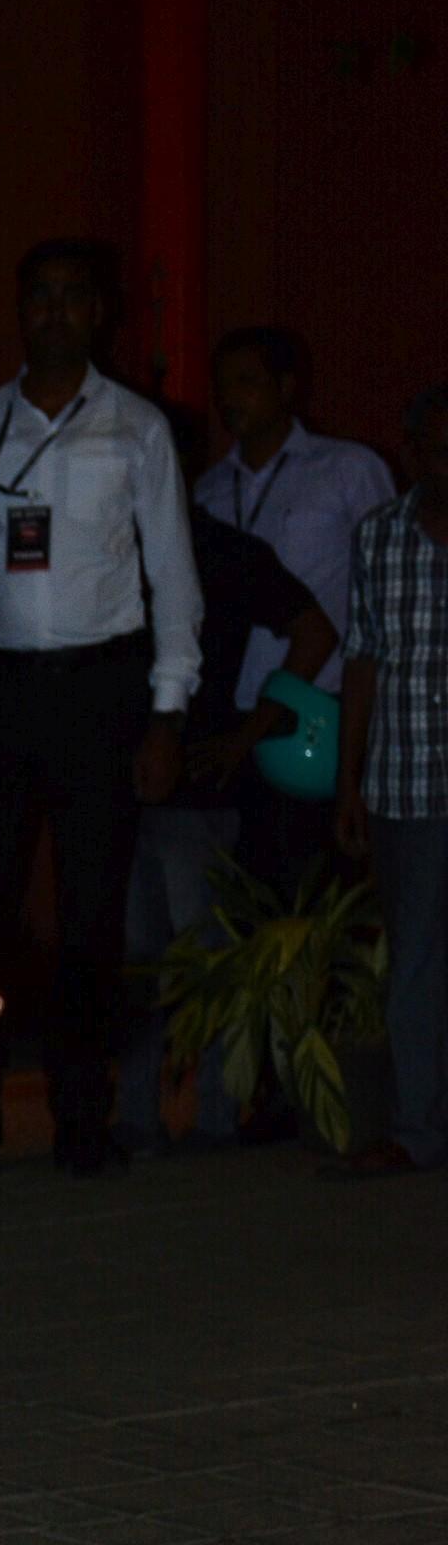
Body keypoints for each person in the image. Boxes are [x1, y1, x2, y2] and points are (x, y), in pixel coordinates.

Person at [0, 240, 201, 1176]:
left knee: (90, 912)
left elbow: (173, 579)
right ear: (21, 310)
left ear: (101, 314)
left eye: (76, 296)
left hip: (100, 688)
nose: (58, 311)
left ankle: (82, 1114)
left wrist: (165, 710)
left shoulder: (139, 431)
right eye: (42, 296)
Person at [116, 411, 338, 1151]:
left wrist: (248, 731)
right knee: (138, 959)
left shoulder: (219, 549)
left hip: (198, 790)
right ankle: (141, 1118)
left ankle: (212, 1115)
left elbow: (316, 632)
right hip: (118, 788)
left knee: (201, 955)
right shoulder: (111, 547)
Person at [328, 383, 448, 1178]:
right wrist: (349, 786)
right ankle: (418, 1130)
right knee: (415, 962)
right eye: (437, 447)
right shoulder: (379, 536)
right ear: (410, 454)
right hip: (408, 780)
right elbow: (362, 661)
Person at [196, 326, 394, 704]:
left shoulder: (348, 469)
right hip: (231, 702)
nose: (230, 398)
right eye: (222, 386)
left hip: (324, 698)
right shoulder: (208, 489)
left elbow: (389, 586)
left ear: (285, 387)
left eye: (246, 382)